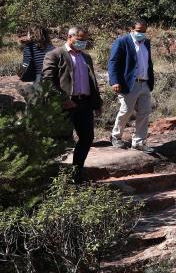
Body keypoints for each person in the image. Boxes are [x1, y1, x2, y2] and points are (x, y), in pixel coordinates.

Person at [42, 26, 101, 183]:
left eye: (85, 40)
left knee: (87, 138)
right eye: (80, 40)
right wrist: (63, 99)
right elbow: (48, 81)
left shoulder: (86, 57)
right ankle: (53, 177)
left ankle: (77, 173)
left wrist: (97, 103)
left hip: (85, 104)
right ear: (69, 37)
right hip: (65, 105)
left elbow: (92, 81)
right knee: (61, 140)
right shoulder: (55, 55)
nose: (83, 43)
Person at [108, 19, 155, 153]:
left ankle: (139, 142)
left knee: (144, 113)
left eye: (144, 31)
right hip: (129, 84)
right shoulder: (122, 42)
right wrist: (115, 81)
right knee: (126, 110)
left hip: (144, 83)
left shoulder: (146, 42)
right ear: (132, 29)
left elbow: (148, 62)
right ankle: (116, 136)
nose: (142, 34)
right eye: (139, 31)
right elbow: (113, 63)